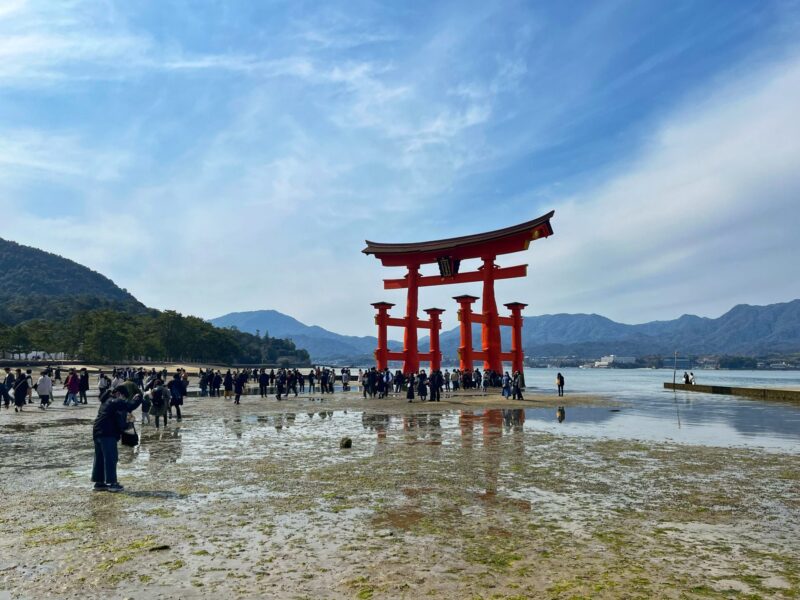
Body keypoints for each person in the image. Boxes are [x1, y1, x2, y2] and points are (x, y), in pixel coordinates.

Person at [91, 385, 142, 492]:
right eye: (124, 396)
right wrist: (139, 397)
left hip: (98, 432)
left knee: (100, 458)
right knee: (111, 458)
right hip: (107, 434)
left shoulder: (106, 401)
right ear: (119, 394)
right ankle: (112, 483)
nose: (123, 399)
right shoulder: (114, 401)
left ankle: (99, 483)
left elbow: (117, 418)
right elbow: (130, 406)